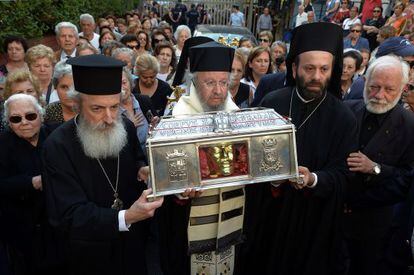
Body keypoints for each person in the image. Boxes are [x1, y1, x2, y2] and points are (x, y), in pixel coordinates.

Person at [239, 22, 358, 274]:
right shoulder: (271, 103)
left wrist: (313, 178)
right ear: (294, 69)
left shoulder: (344, 118)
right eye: (310, 68)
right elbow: (248, 156)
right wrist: (271, 180)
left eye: (324, 69)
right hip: (269, 217)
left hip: (313, 224)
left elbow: (344, 176)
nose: (317, 76)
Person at [42, 54, 163, 275]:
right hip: (88, 255)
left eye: (114, 107)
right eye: (97, 109)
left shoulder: (124, 126)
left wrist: (141, 170)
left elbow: (136, 157)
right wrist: (126, 216)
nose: (109, 118)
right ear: (77, 104)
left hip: (132, 247)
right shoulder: (56, 146)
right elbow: (68, 215)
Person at [157, 40, 243, 275]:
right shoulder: (176, 119)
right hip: (187, 221)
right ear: (194, 82)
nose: (218, 90)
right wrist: (178, 191)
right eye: (210, 82)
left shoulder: (237, 116)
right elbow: (162, 174)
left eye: (223, 82)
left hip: (230, 220)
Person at [344, 55, 414, 275]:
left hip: (374, 226)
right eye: (374, 87)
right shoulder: (346, 110)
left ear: (402, 88)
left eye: (389, 89)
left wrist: (375, 169)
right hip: (333, 218)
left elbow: (407, 180)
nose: (379, 96)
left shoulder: (410, 126)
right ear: (365, 81)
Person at [0, 94, 62, 274]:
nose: (24, 122)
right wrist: (31, 182)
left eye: (30, 116)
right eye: (16, 119)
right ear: (8, 122)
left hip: (59, 225)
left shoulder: (56, 135)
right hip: (22, 230)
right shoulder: (3, 144)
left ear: (40, 115)